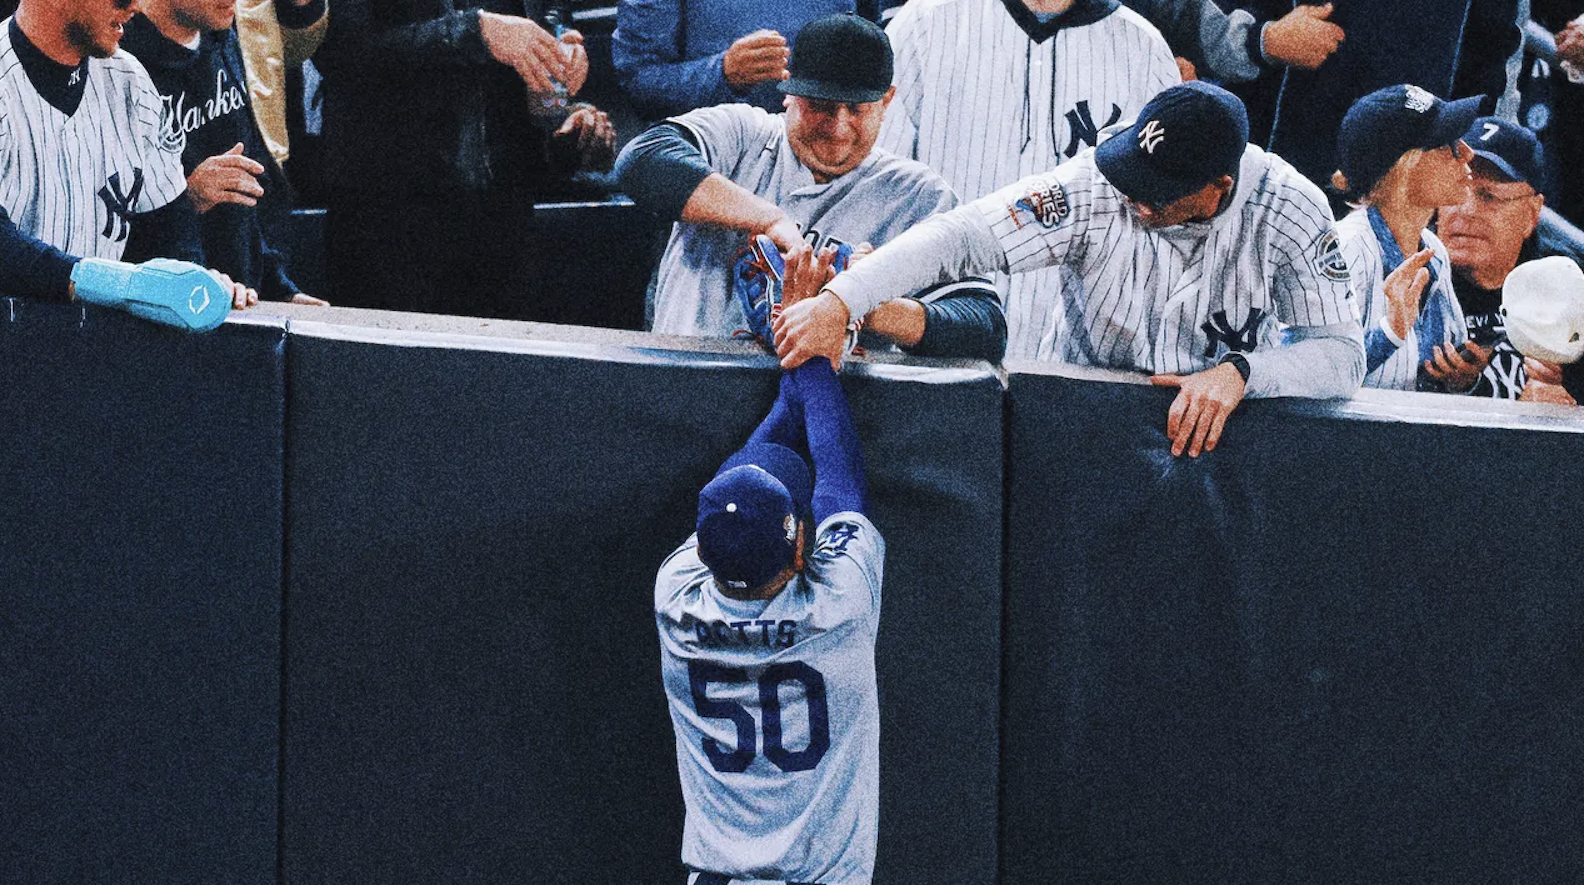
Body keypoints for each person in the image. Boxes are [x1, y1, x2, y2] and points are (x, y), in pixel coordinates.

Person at [779, 81, 1366, 458]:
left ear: (1220, 187)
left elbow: (1341, 358)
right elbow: (961, 235)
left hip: (1224, 435)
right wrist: (842, 301)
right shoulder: (1097, 182)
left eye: (1160, 194)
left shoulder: (1290, 206)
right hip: (1088, 418)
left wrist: (1243, 372)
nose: (1137, 198)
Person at [615, 13, 1005, 361]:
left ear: (887, 102)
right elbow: (641, 160)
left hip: (826, 416)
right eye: (820, 105)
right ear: (789, 91)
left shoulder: (916, 195)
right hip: (690, 389)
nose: (838, 127)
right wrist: (770, 219)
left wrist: (861, 299)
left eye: (857, 109)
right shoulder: (743, 134)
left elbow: (984, 327)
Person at [655, 354, 884, 885]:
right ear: (800, 551)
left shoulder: (675, 596)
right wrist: (810, 354)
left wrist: (798, 364)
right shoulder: (839, 603)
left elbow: (730, 488)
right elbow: (840, 483)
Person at [878, 0, 1180, 361]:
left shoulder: (1145, 50)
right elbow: (882, 191)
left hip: (1077, 365)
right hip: (931, 347)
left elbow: (1168, 231)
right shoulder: (923, 24)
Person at [315, 0, 614, 317]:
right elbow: (340, 51)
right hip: (389, 209)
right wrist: (476, 31)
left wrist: (557, 83)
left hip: (503, 210)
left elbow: (543, 29)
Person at [0, 0, 254, 313]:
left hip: (96, 344)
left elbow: (170, 231)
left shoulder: (130, 80)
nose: (135, 5)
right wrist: (122, 284)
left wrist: (193, 280)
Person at [121, 0, 327, 304]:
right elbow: (98, 228)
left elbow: (243, 198)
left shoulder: (224, 39)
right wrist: (183, 199)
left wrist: (279, 289)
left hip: (243, 301)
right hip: (166, 306)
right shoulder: (118, 63)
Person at [1330, 84, 1484, 393]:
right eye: (1448, 145)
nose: (1467, 152)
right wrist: (1390, 333)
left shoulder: (1434, 249)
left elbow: (1428, 374)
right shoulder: (1346, 248)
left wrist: (1460, 377)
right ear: (1403, 165)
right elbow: (1316, 374)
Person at [1440, 115, 1584, 403]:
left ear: (1532, 213)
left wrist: (1569, 407)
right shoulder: (1412, 280)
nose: (1465, 210)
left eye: (1489, 196)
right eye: (1456, 190)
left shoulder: (1569, 287)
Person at [612, 0, 873, 120]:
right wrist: (723, 74)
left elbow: (884, 52)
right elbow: (639, 84)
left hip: (832, 158)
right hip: (719, 169)